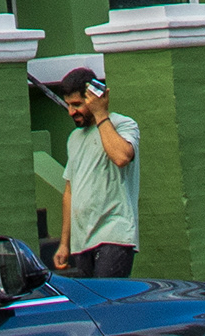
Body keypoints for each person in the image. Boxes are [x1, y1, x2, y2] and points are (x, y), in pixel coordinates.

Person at [51, 66, 139, 279]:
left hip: (114, 236)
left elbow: (121, 157)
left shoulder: (123, 124)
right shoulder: (74, 138)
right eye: (68, 105)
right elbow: (70, 192)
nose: (72, 111)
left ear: (93, 98)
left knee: (107, 306)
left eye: (77, 104)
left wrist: (100, 113)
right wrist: (64, 244)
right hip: (82, 242)